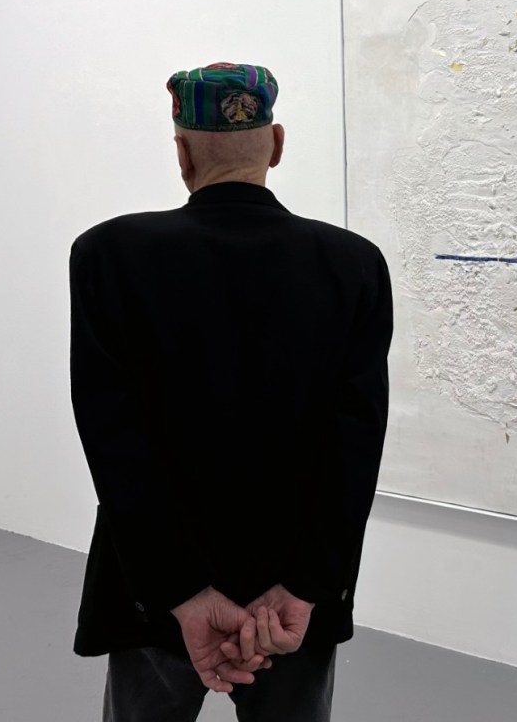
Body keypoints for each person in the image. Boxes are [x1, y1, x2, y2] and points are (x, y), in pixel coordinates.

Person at [69, 62, 393, 722]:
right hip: (289, 605)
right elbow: (354, 448)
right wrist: (302, 589)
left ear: (182, 153)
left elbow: (114, 442)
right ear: (276, 144)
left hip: (154, 589)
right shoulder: (354, 264)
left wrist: (182, 592)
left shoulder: (108, 255)